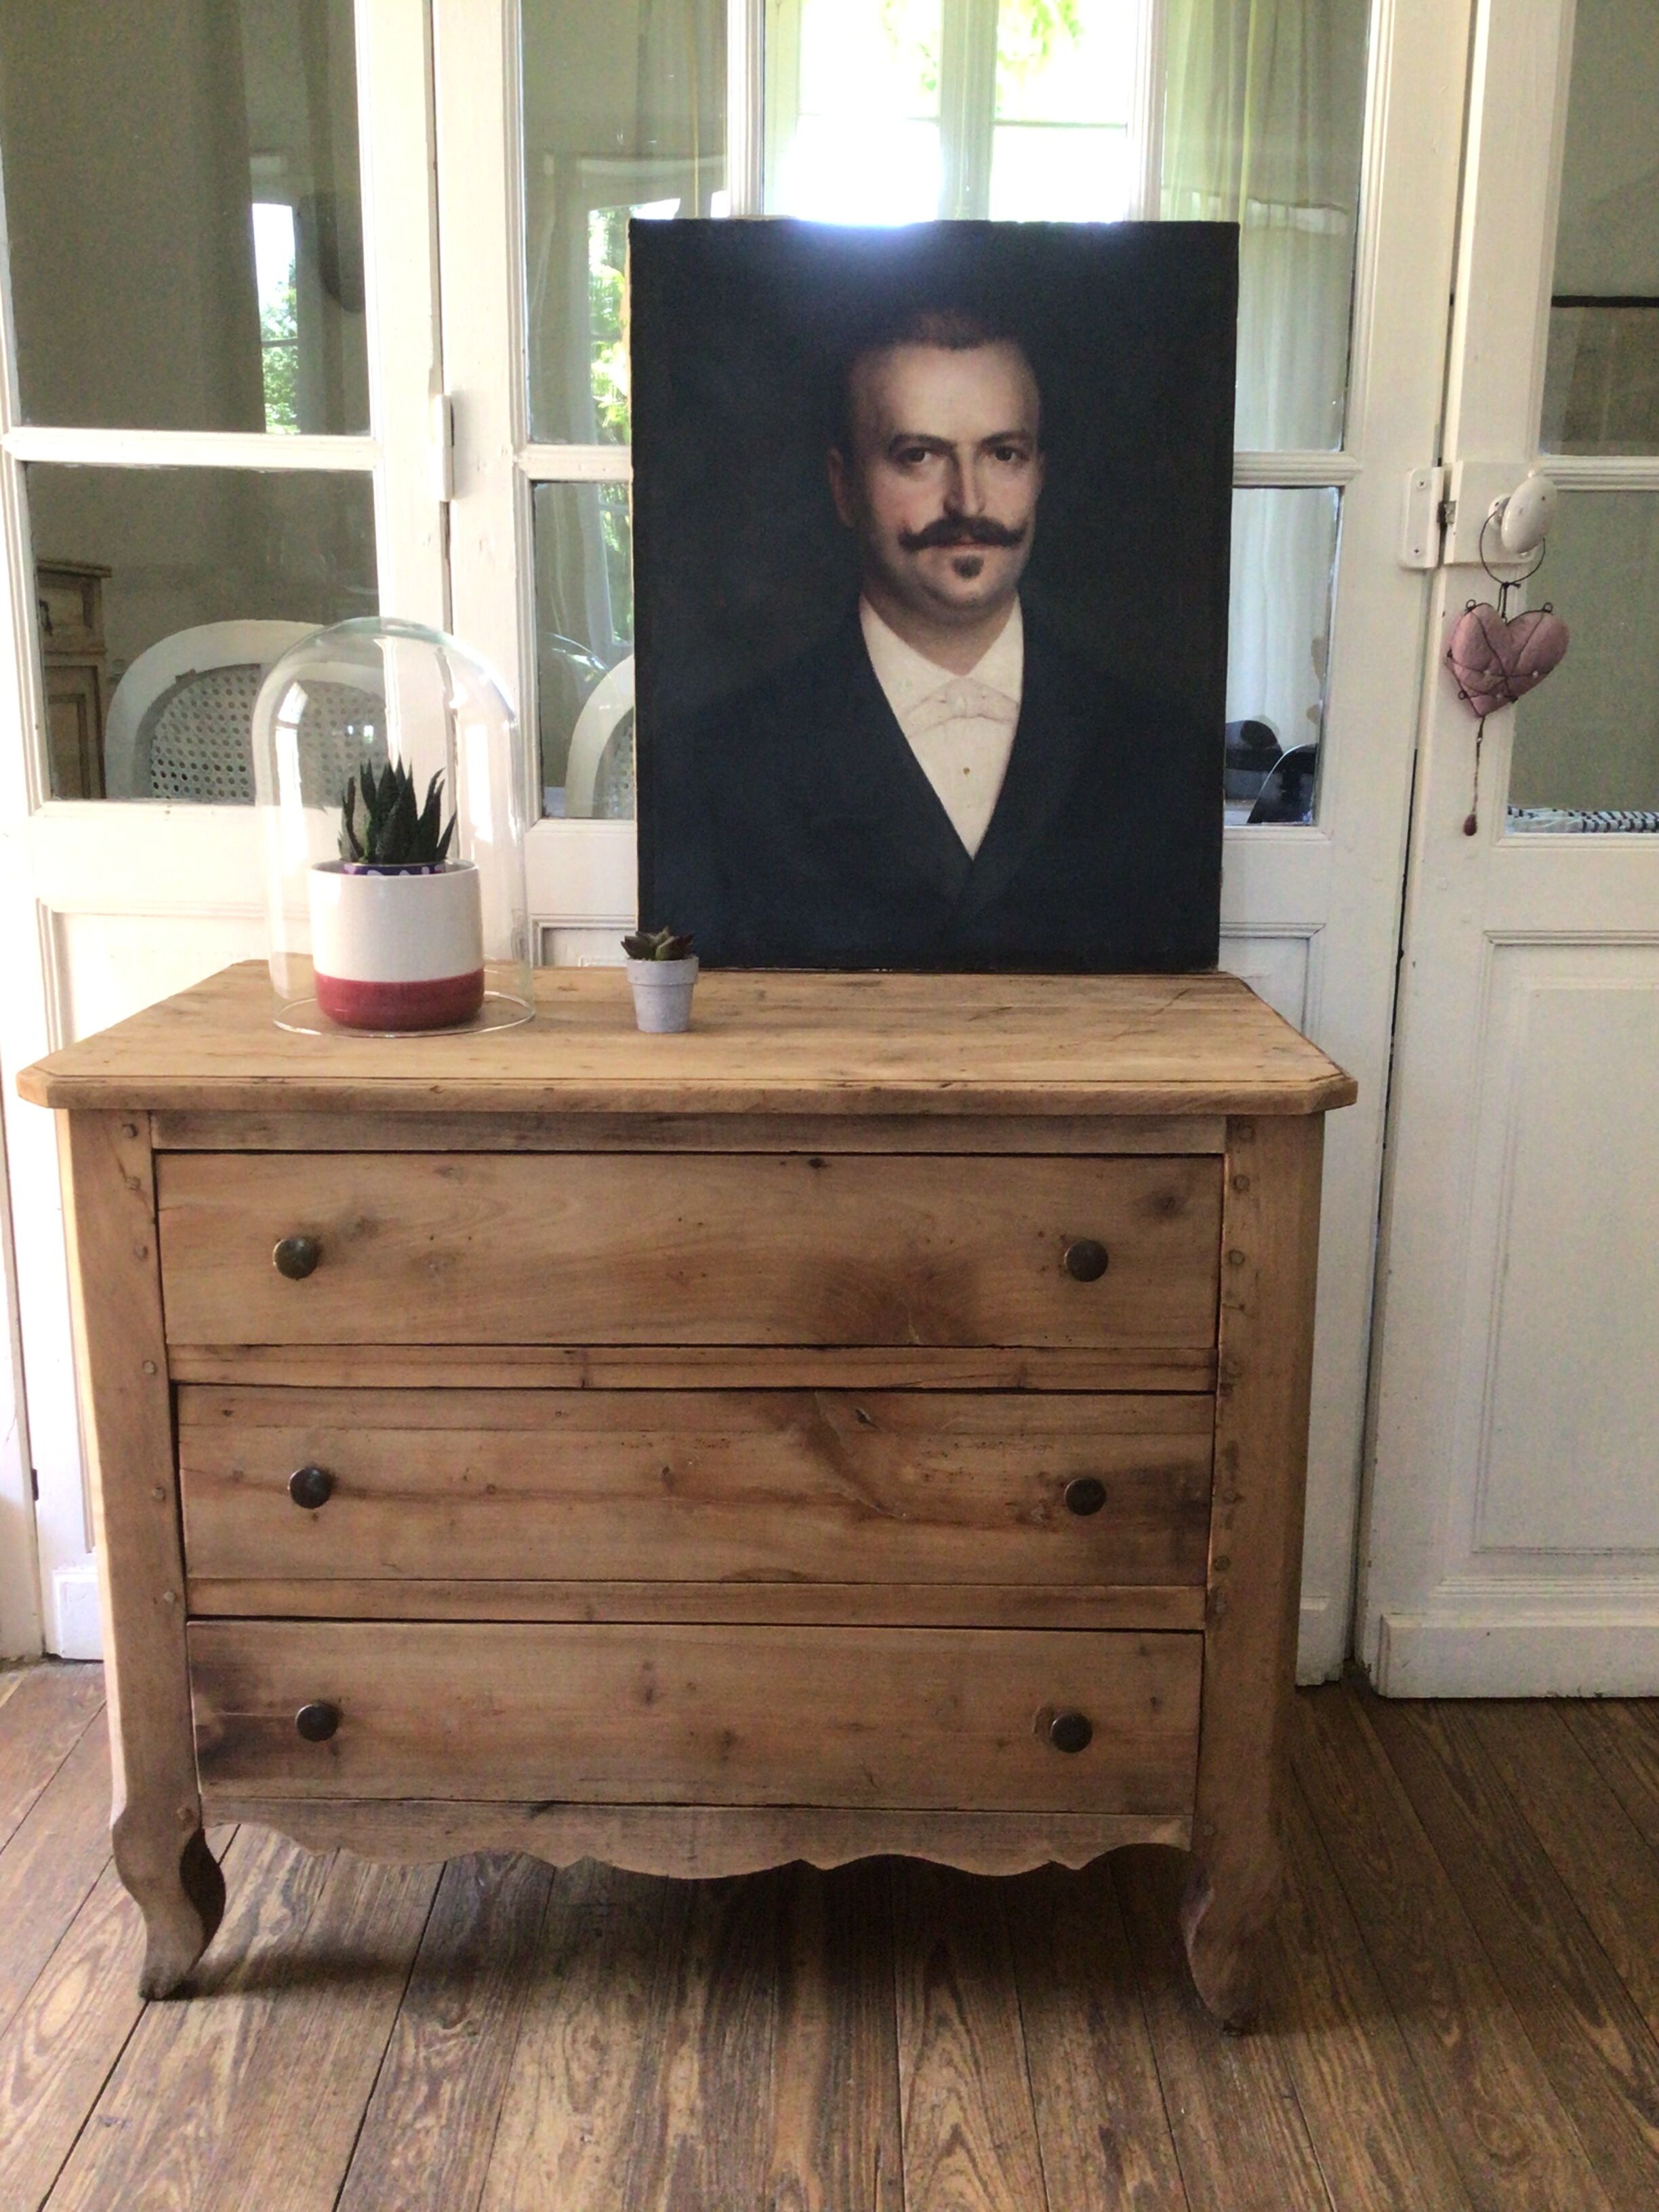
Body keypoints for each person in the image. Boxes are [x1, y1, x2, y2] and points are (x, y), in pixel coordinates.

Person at [647, 304, 1218, 969]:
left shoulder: (1163, 754)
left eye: (1003, 455)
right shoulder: (715, 763)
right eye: (919, 457)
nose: (969, 503)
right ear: (844, 488)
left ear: (1038, 475)